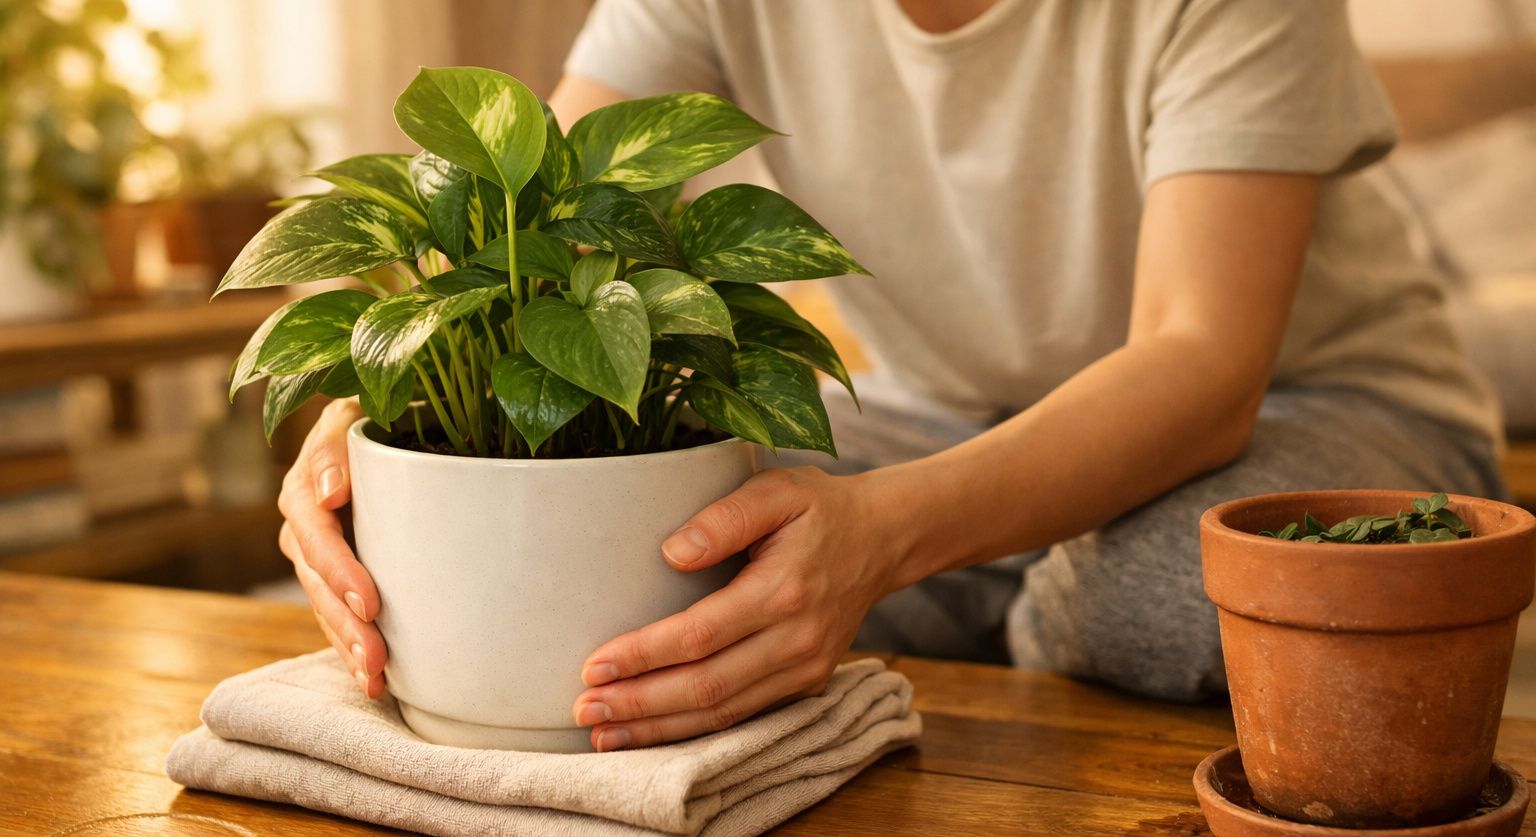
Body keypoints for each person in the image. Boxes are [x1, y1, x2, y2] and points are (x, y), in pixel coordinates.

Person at [278, 0, 1506, 751]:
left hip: (1319, 409)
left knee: (1146, 600)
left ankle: (1005, 599)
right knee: (605, 578)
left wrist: (882, 541)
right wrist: (389, 416)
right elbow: (538, 224)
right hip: (931, 420)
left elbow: (1202, 360)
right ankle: (998, 589)